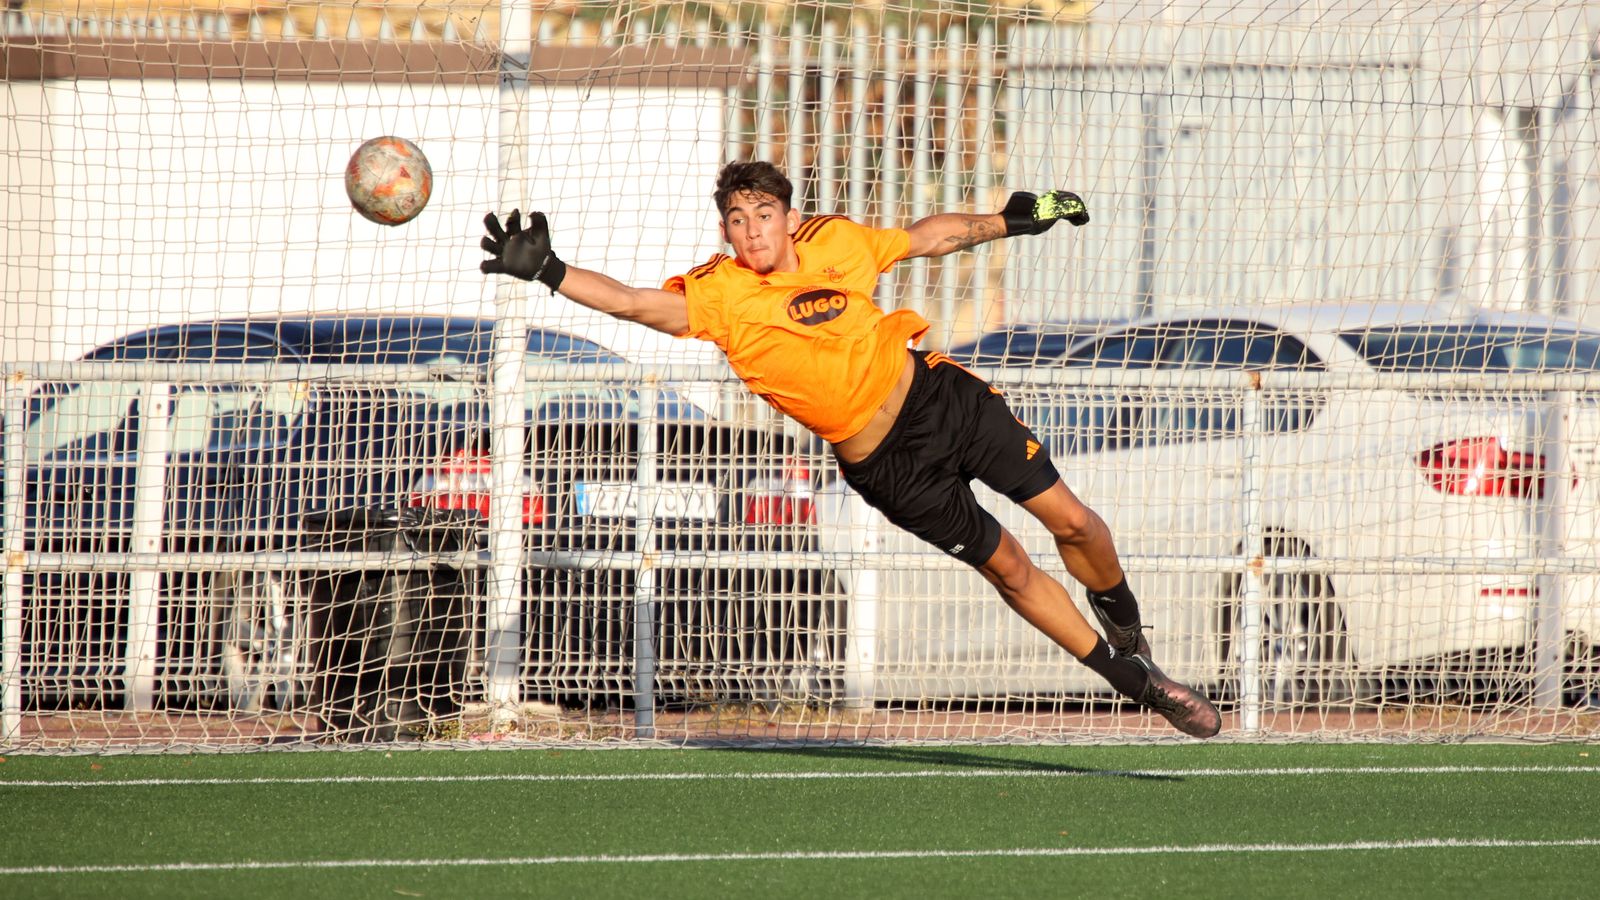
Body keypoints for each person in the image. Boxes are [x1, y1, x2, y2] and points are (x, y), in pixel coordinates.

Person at [479, 160, 1221, 738]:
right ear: (726, 233)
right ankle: (1134, 680)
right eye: (736, 220)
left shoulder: (833, 241)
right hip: (887, 467)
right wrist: (549, 270)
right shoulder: (722, 294)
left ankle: (1126, 625)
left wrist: (1009, 220)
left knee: (1078, 523)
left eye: (762, 214)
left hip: (942, 399)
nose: (751, 231)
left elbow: (926, 237)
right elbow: (637, 304)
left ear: (788, 217)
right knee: (1011, 566)